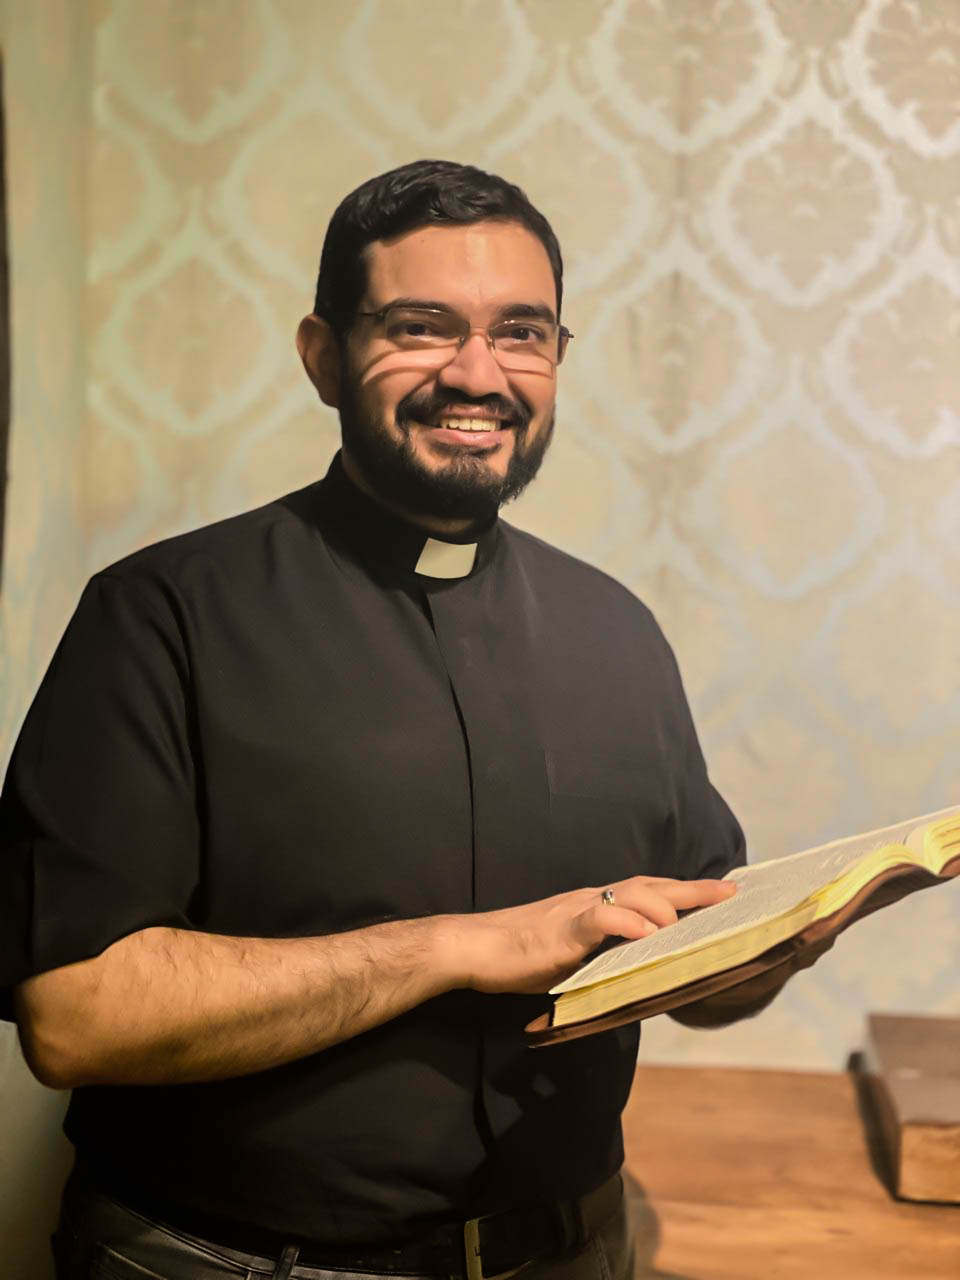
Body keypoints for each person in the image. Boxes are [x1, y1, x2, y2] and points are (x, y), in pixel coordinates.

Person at [1, 160, 822, 1280]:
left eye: (522, 333)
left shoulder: (618, 630)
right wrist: (454, 948)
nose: (478, 374)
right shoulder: (160, 615)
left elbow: (689, 966)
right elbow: (74, 1014)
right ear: (323, 357)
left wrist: (777, 944)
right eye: (421, 328)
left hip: (574, 1251)